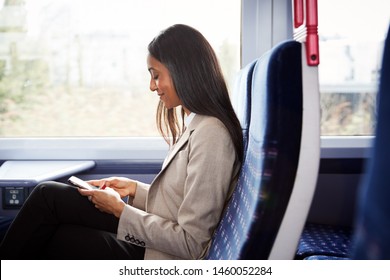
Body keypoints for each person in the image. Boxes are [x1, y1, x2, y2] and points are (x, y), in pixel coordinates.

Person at [0, 24, 243, 260]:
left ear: (183, 71)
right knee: (49, 196)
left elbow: (191, 243)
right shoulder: (197, 123)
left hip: (162, 257)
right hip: (157, 241)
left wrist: (120, 210)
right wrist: (134, 189)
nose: (151, 87)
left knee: (56, 234)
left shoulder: (212, 134)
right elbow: (180, 202)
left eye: (156, 76)